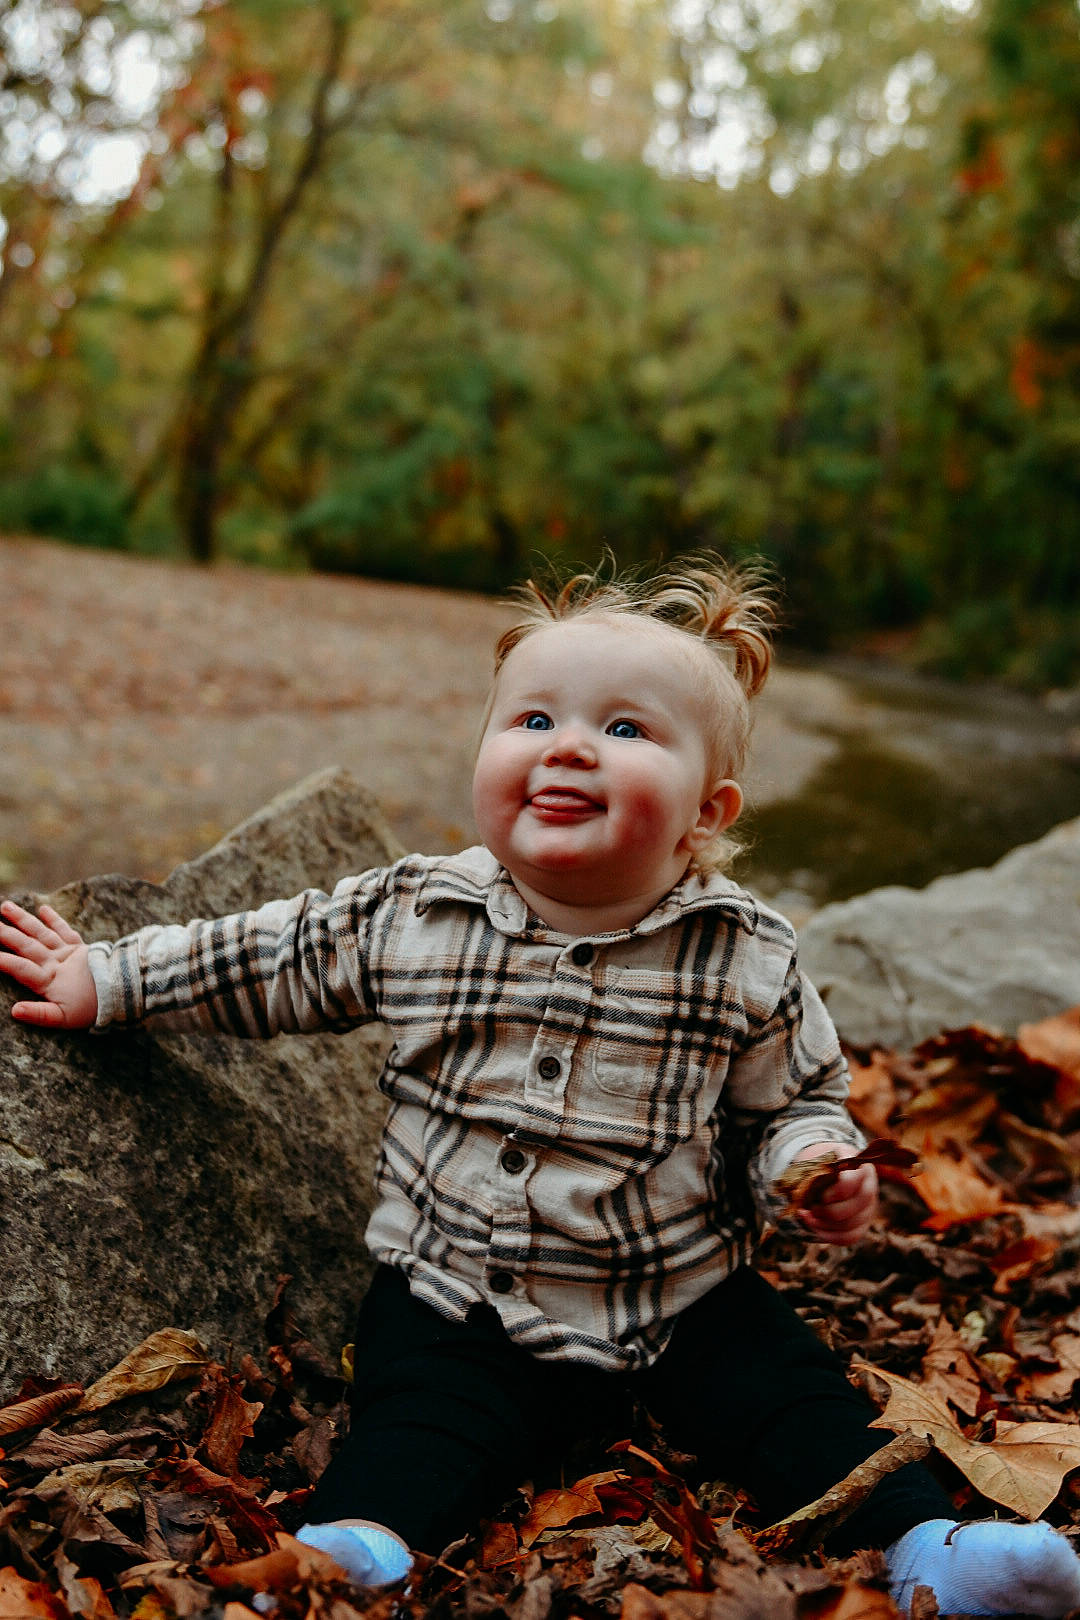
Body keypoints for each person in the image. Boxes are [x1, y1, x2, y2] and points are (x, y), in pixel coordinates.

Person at [2, 557, 1079, 1620]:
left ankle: (930, 1546)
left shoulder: (744, 955)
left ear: (708, 810)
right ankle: (362, 1545)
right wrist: (106, 977)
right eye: (530, 721)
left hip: (678, 1294)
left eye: (626, 730)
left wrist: (813, 1166)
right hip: (463, 1286)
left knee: (794, 1397)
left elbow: (794, 1101)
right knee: (418, 1414)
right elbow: (268, 958)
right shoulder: (418, 913)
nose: (567, 746)